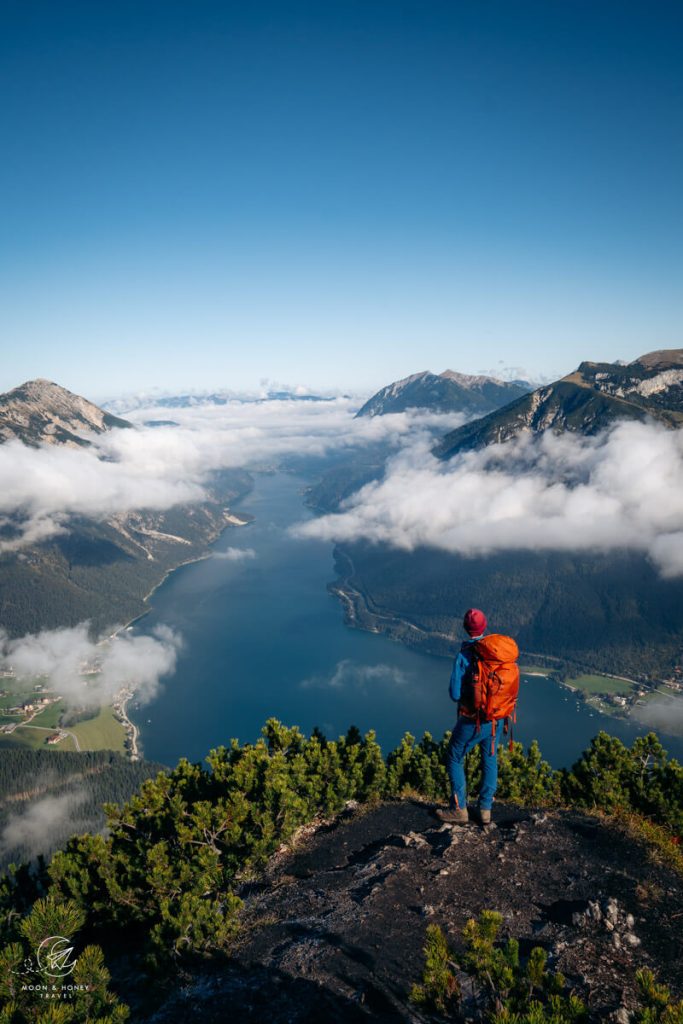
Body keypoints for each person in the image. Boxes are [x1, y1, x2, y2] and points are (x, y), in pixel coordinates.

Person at [436, 608, 504, 826]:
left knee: (454, 757)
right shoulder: (498, 652)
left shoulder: (464, 655)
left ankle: (459, 810)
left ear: (466, 629)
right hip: (496, 718)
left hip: (472, 720)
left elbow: (454, 693)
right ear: (485, 626)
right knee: (490, 759)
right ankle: (485, 810)